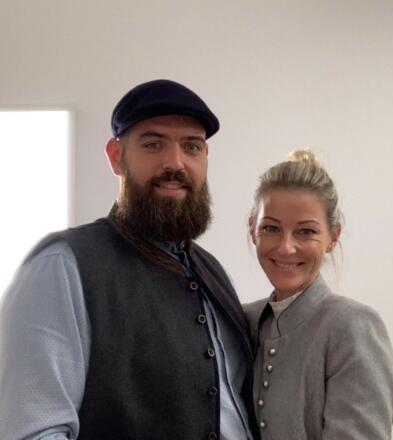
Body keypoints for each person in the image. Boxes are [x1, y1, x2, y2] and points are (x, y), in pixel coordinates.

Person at [0, 79, 260, 440]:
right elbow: (31, 431)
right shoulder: (62, 265)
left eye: (191, 146)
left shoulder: (214, 272)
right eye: (153, 144)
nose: (175, 162)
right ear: (115, 156)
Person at [244, 150, 393, 439]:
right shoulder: (241, 320)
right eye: (271, 228)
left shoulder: (353, 326)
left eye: (305, 232)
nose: (286, 247)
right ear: (252, 228)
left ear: (333, 237)